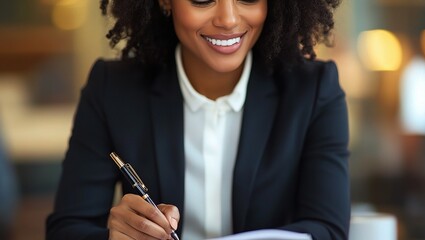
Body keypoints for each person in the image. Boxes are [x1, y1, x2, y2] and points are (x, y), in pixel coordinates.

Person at [46, 0, 350, 239]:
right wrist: (117, 238)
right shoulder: (112, 89)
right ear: (166, 1)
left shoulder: (314, 91)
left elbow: (328, 230)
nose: (228, 19)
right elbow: (67, 229)